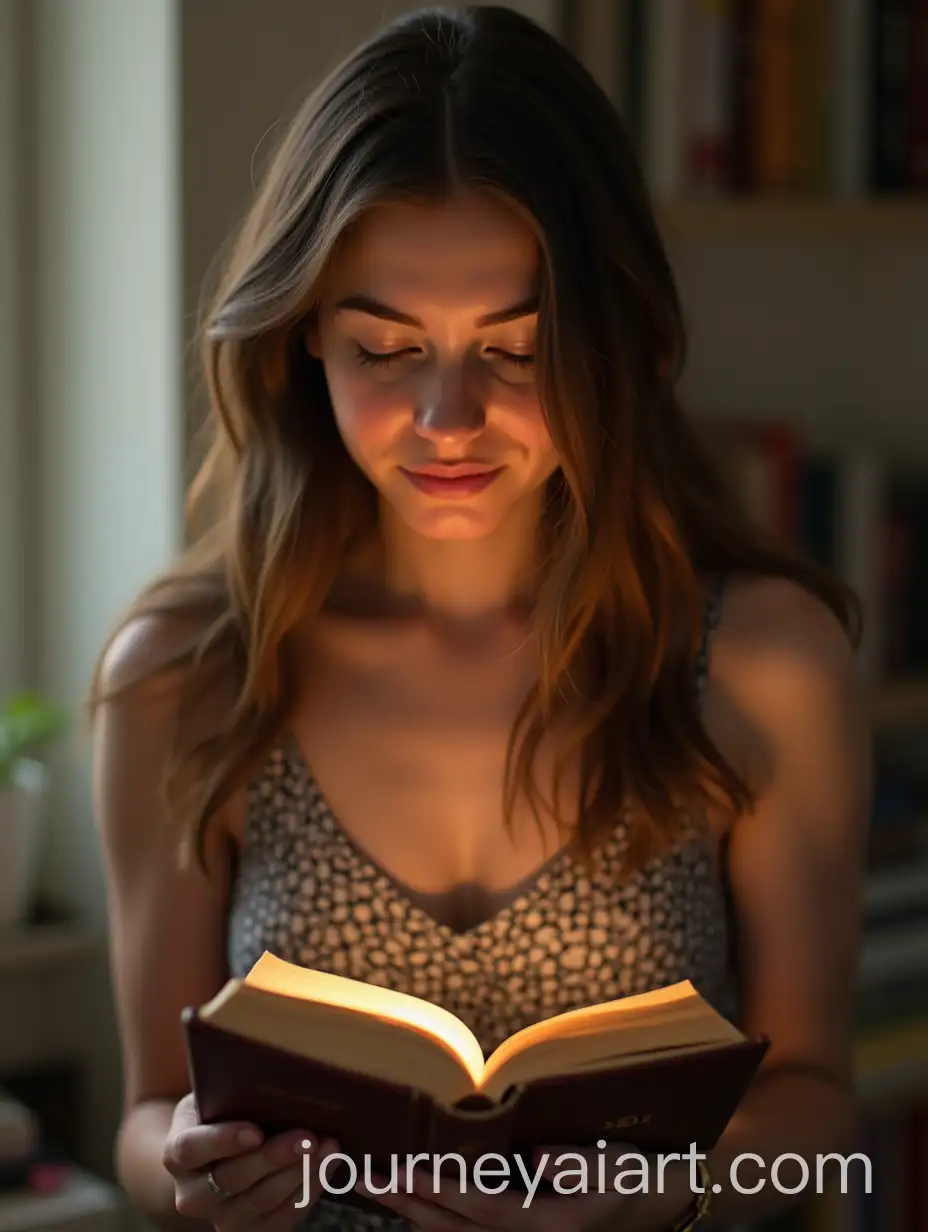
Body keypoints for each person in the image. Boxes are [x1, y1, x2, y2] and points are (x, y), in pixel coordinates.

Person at [89, 4, 871, 1230]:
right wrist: (187, 1169)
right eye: (385, 349)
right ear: (303, 339)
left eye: (516, 350)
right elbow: (142, 1114)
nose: (448, 418)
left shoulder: (761, 666)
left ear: (612, 340)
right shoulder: (185, 676)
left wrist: (650, 1194)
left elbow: (821, 1115)